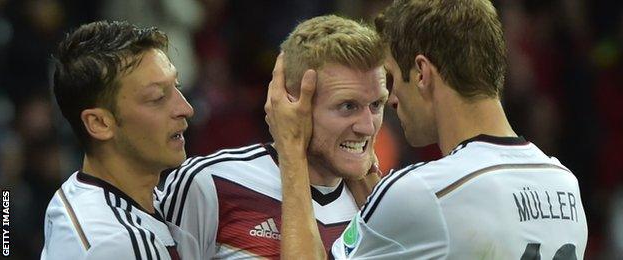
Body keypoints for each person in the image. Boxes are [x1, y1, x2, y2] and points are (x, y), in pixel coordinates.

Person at [265, 0, 588, 259]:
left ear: (421, 73)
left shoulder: (426, 191)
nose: (391, 98)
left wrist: (291, 149)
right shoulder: (565, 184)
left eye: (392, 77)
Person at [158, 15, 386, 258]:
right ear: (290, 103)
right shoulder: (211, 183)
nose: (367, 127)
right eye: (348, 106)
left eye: (376, 105)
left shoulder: (382, 204)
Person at [41, 21, 200, 259]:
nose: (186, 109)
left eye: (176, 86)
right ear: (99, 123)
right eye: (157, 97)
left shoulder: (74, 195)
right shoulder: (120, 244)